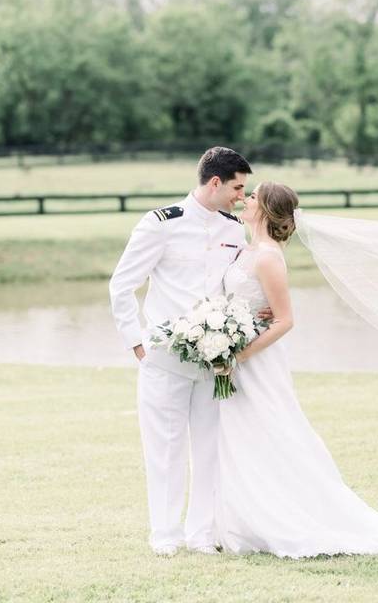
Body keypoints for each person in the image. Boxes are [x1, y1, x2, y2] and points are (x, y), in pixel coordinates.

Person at [215, 182, 378, 557]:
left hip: (256, 361)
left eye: (253, 197)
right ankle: (242, 521)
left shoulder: (269, 257)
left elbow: (285, 320)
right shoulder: (246, 250)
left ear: (265, 210)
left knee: (273, 429)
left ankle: (290, 516)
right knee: (240, 433)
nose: (245, 200)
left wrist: (238, 355)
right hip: (234, 353)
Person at [109, 147, 251, 556]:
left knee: (209, 449)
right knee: (166, 449)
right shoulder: (160, 224)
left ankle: (201, 534)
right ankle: (166, 536)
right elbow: (122, 284)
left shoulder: (233, 229)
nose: (241, 197)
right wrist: (135, 341)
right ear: (214, 183)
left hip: (216, 361)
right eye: (237, 188)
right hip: (165, 356)